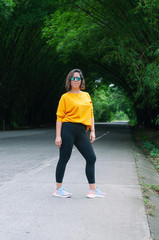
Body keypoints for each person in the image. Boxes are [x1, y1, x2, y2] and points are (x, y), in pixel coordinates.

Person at [53, 69, 105, 198]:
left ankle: (92, 190)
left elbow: (91, 114)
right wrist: (58, 136)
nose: (76, 80)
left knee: (91, 158)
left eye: (78, 78)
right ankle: (58, 189)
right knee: (64, 159)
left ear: (81, 80)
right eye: (73, 78)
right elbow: (59, 117)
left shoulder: (86, 95)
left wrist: (92, 130)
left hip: (82, 131)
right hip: (68, 129)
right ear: (69, 80)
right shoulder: (65, 97)